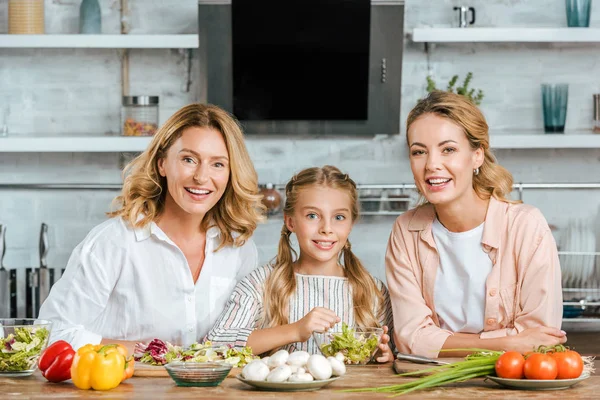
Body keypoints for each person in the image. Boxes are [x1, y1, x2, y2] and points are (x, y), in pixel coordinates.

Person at [38, 104, 265, 354]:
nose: (201, 177)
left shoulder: (239, 248)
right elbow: (52, 334)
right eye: (188, 159)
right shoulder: (113, 242)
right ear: (162, 164)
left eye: (218, 164)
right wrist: (149, 351)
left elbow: (241, 337)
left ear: (231, 173)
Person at [386, 91, 565, 358]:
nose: (432, 165)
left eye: (448, 149)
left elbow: (541, 337)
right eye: (419, 152)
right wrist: (507, 343)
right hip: (429, 389)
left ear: (477, 156)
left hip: (512, 387)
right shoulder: (406, 231)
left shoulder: (525, 227)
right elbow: (410, 337)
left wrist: (441, 343)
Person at [207, 166, 394, 361]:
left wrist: (386, 357)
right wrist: (295, 330)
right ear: (290, 222)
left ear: (350, 224)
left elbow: (394, 356)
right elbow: (216, 344)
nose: (326, 229)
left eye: (339, 217)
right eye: (312, 215)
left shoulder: (373, 291)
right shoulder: (260, 283)